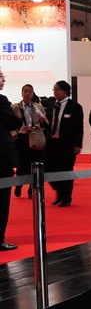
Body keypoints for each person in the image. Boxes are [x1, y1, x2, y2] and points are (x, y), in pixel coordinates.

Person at [45, 80, 84, 207]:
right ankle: (59, 193)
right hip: (52, 143)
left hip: (67, 145)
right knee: (51, 169)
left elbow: (79, 127)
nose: (55, 92)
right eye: (54, 89)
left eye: (57, 89)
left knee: (66, 170)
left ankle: (66, 197)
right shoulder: (51, 105)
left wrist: (77, 144)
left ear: (65, 91)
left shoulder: (75, 107)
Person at [11, 83, 48, 198]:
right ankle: (19, 185)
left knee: (35, 164)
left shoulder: (38, 107)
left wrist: (36, 125)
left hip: (35, 137)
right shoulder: (15, 107)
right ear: (22, 93)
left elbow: (44, 123)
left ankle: (32, 188)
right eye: (25, 91)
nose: (27, 93)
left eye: (30, 91)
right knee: (21, 165)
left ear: (33, 94)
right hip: (21, 139)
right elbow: (10, 123)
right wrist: (16, 133)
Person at [0, 69, 23, 250]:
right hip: (1, 158)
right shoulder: (1, 100)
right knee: (1, 201)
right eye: (1, 77)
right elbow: (14, 123)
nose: (3, 80)